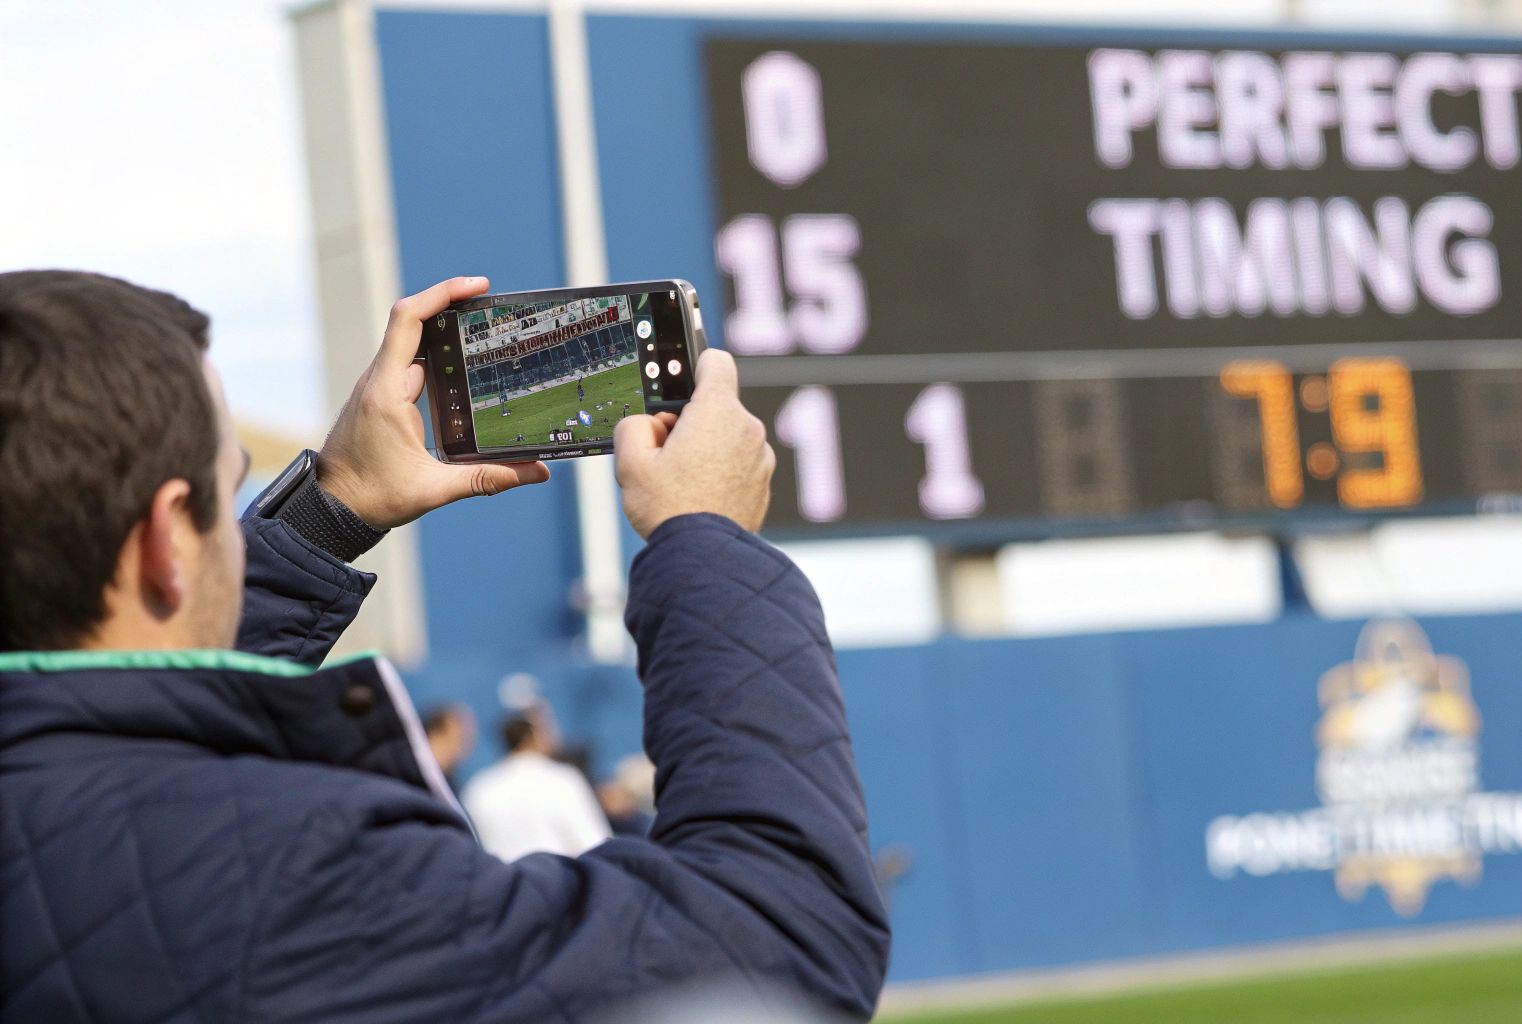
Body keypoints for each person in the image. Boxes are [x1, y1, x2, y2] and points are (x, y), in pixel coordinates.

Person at [0, 271, 888, 1020]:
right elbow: (780, 945)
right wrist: (705, 539)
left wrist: (329, 507)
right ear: (166, 539)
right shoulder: (291, 870)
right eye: (225, 496)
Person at [463, 706, 612, 860]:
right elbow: (594, 844)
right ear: (532, 736)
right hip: (559, 880)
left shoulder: (479, 788)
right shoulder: (563, 779)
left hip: (502, 882)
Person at [421, 700, 477, 792]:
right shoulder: (407, 772)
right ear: (436, 733)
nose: (468, 740)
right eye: (461, 734)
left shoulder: (450, 783)